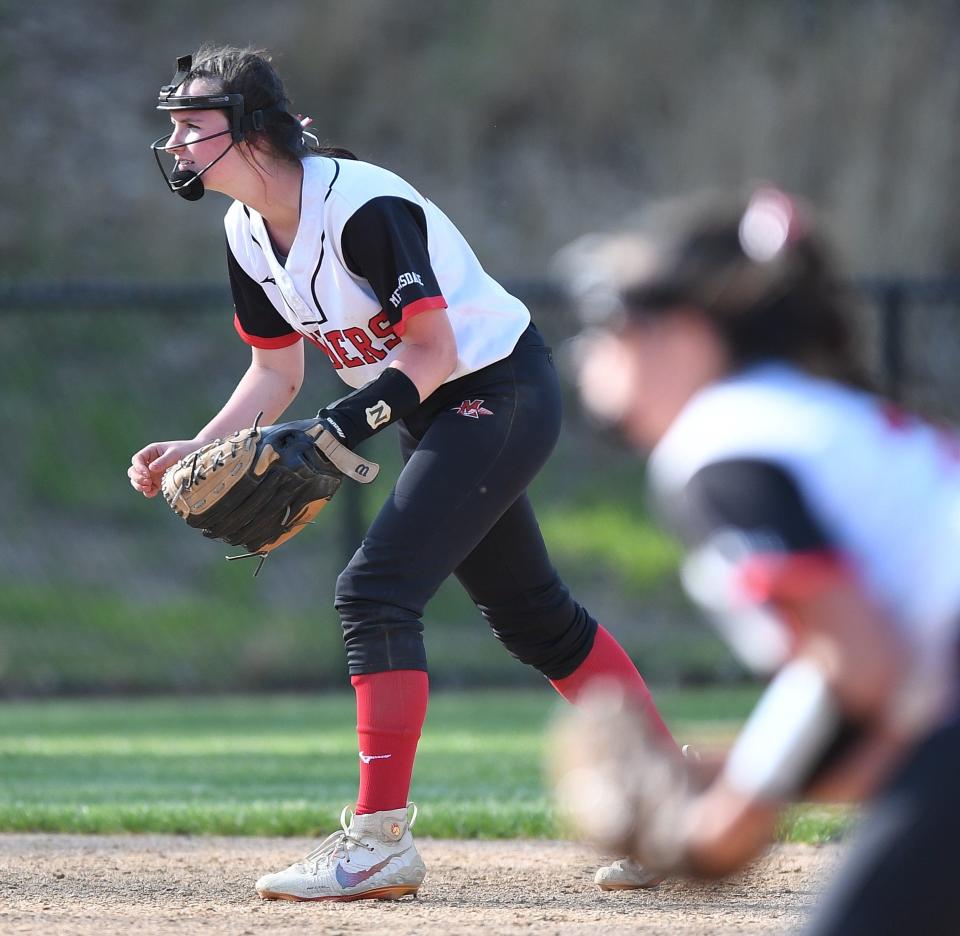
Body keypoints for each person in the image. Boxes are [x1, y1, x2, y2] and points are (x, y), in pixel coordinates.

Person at [127, 45, 676, 902]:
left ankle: (379, 842)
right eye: (176, 128)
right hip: (437, 410)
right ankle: (673, 806)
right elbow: (276, 376)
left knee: (374, 592)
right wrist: (195, 447)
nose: (178, 142)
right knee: (536, 619)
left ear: (252, 130)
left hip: (498, 388)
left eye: (194, 125)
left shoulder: (362, 206)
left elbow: (437, 350)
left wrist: (345, 424)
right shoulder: (243, 231)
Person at [552, 187, 960, 934]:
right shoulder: (797, 415)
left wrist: (730, 813)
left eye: (615, 325)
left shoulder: (719, 446)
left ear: (686, 337)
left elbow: (868, 669)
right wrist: (732, 783)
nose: (591, 353)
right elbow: (870, 682)